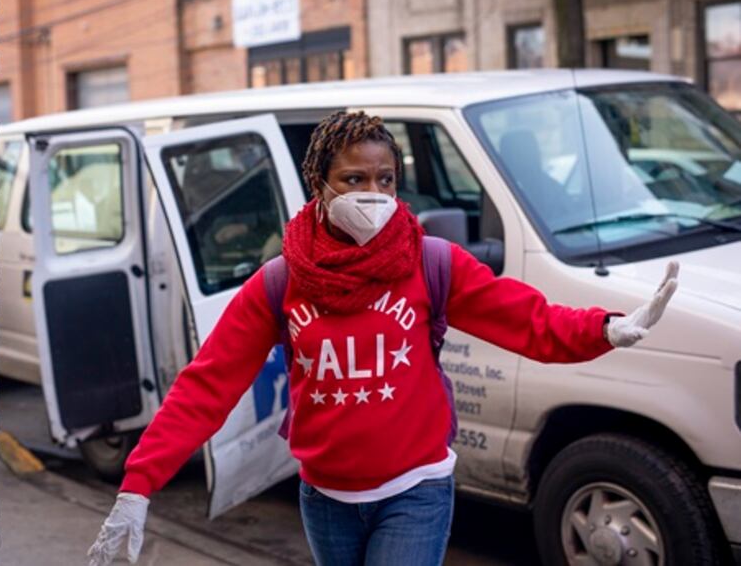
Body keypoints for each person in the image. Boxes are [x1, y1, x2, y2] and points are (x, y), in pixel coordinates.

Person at [86, 111, 679, 566]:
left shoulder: (431, 262)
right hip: (325, 498)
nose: (373, 192)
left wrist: (605, 328)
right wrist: (139, 484)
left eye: (385, 178)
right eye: (354, 179)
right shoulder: (281, 281)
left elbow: (528, 320)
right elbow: (207, 384)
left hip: (415, 490)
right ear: (319, 183)